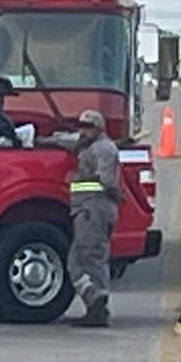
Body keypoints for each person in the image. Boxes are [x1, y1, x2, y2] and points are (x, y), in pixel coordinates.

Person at [66, 108, 121, 328]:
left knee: (92, 257)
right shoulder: (88, 148)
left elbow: (107, 181)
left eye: (88, 127)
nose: (83, 130)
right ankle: (93, 299)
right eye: (82, 126)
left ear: (99, 128)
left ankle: (99, 304)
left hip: (94, 209)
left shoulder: (103, 149)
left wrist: (117, 196)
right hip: (84, 209)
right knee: (75, 261)